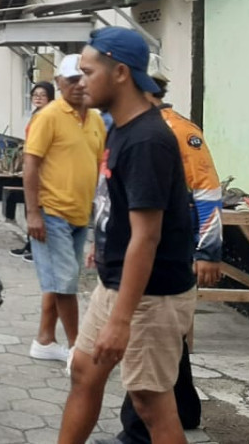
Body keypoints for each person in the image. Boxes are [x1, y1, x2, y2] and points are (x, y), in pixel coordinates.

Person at [59, 28, 197, 444]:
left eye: (88, 72)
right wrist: (101, 246)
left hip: (151, 296)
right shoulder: (120, 128)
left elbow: (147, 237)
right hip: (116, 283)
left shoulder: (147, 140)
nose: (80, 82)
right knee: (84, 372)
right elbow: (118, 207)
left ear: (120, 73)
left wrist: (120, 321)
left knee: (150, 404)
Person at [100, 55, 224, 444]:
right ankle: (184, 409)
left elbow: (207, 191)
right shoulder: (124, 128)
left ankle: (137, 433)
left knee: (147, 347)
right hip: (137, 251)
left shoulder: (177, 131)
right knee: (166, 343)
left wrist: (208, 252)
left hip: (168, 251)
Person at [22, 55, 105, 368]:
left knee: (58, 281)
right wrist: (33, 213)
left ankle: (44, 339)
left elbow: (99, 168)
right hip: (51, 211)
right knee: (66, 282)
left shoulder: (95, 119)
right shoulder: (49, 116)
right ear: (58, 83)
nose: (79, 85)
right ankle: (77, 349)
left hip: (80, 214)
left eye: (84, 78)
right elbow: (31, 164)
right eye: (71, 79)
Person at [12, 82, 57, 261]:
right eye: (35, 95)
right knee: (30, 205)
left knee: (38, 207)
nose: (38, 98)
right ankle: (30, 243)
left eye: (42, 95)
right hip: (31, 163)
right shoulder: (35, 115)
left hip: (42, 168)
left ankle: (37, 246)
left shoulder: (49, 117)